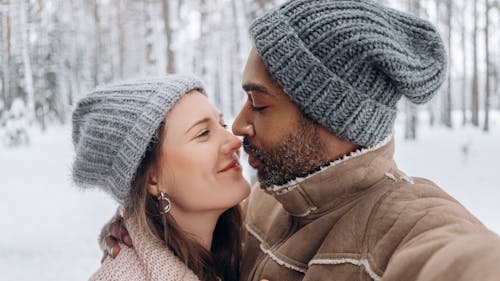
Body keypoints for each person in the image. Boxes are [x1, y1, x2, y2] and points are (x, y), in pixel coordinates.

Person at [102, 0, 500, 280]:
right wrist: (145, 230)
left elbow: (463, 261)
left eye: (258, 104)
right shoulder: (269, 195)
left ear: (331, 115)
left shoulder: (405, 226)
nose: (237, 126)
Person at [72, 75, 251, 280]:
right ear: (152, 180)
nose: (234, 141)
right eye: (203, 133)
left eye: (223, 125)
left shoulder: (236, 250)